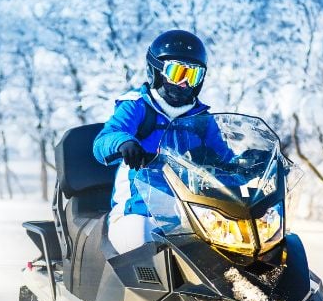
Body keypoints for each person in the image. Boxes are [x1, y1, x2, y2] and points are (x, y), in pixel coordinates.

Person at [93, 30, 230, 253]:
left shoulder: (202, 119)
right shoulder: (137, 106)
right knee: (142, 238)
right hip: (139, 212)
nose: (185, 83)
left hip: (191, 214)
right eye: (177, 72)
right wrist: (124, 143)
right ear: (156, 70)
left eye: (193, 75)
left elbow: (224, 158)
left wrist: (250, 163)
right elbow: (103, 140)